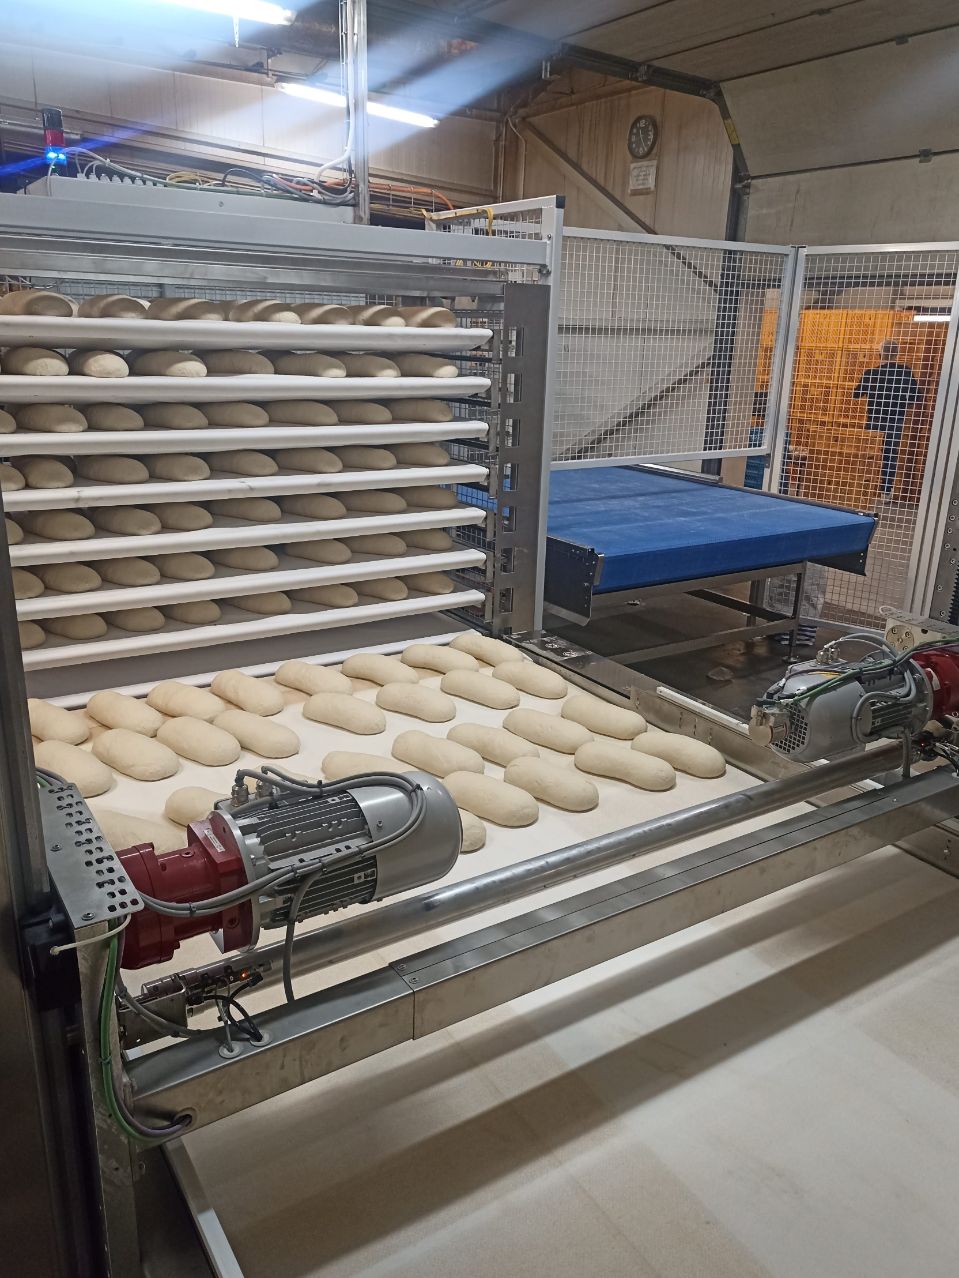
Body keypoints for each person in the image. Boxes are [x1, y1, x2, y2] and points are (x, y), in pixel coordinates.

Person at [852, 339, 921, 498]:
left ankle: (864, 490)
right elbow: (917, 396)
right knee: (889, 455)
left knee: (870, 454)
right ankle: (885, 492)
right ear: (897, 354)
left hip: (875, 419)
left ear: (879, 354)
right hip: (895, 419)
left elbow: (856, 394)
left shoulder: (871, 373)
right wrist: (902, 403)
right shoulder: (905, 372)